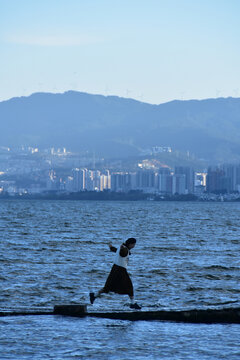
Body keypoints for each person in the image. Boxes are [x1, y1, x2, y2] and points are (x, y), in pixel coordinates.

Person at [89, 237, 141, 309]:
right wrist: (122, 249)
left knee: (108, 287)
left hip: (115, 269)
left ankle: (94, 295)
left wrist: (111, 247)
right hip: (120, 270)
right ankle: (133, 304)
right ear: (130, 244)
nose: (134, 246)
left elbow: (116, 250)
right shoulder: (124, 249)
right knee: (129, 286)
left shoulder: (123, 248)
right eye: (133, 244)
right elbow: (122, 253)